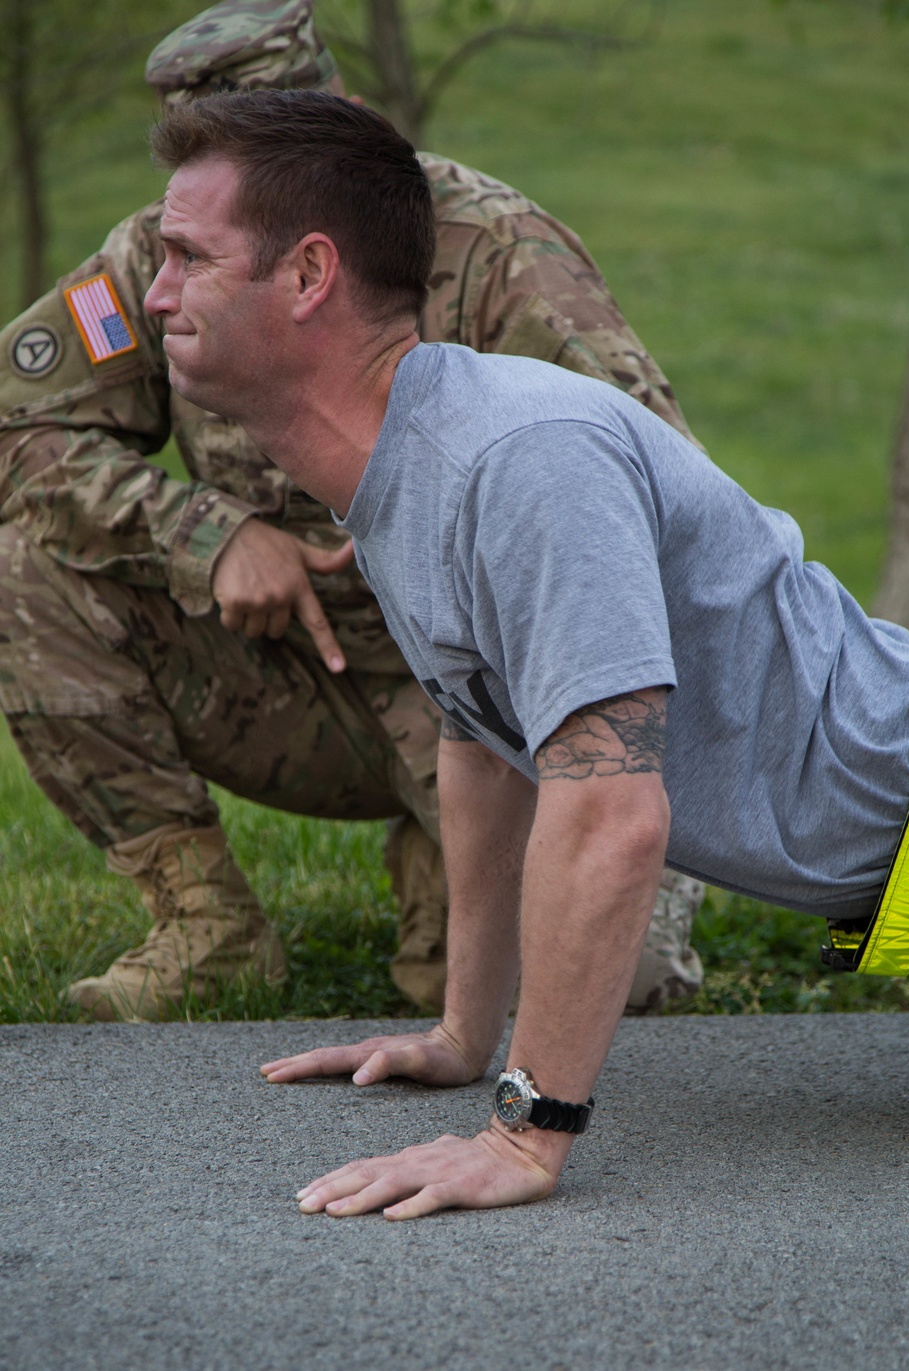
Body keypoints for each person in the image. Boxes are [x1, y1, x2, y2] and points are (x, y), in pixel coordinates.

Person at [143, 88, 909, 1221]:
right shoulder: (401, 469)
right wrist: (465, 1031)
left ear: (308, 278)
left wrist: (524, 1132)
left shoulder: (518, 461)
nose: (152, 295)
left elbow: (611, 810)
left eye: (187, 258)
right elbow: (486, 745)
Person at [0, 0, 705, 1021]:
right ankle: (207, 926)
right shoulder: (165, 257)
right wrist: (211, 535)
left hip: (488, 690)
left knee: (597, 994)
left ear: (353, 118)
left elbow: (655, 484)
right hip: (288, 668)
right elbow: (21, 430)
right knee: (24, 569)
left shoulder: (493, 248)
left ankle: (460, 854)